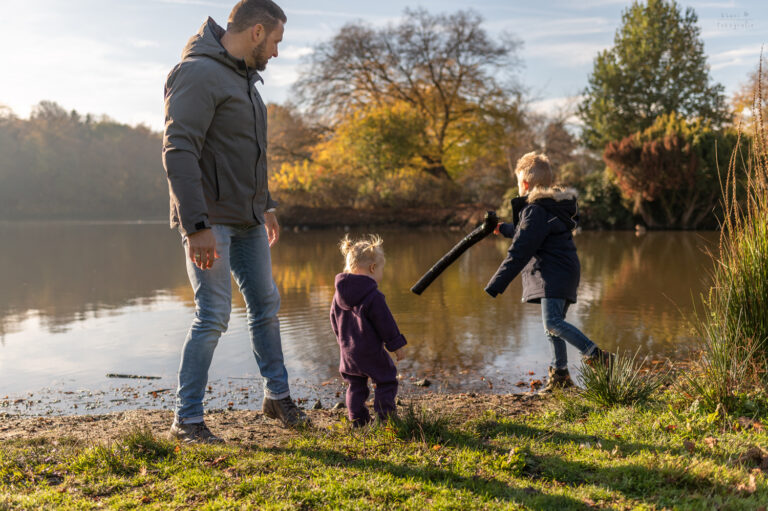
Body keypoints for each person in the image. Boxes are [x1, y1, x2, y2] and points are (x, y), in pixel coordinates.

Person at [162, 0, 308, 443]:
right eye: (277, 41)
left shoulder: (245, 80)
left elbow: (248, 153)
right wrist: (196, 226)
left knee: (266, 305)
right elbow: (179, 151)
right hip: (212, 222)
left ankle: (276, 397)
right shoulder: (197, 72)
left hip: (248, 219)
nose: (277, 53)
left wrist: (265, 204)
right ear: (258, 32)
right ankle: (186, 421)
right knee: (213, 315)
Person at [485, 152, 612, 392]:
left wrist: (496, 283)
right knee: (552, 326)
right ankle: (560, 377)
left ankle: (597, 356)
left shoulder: (535, 210)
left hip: (552, 273)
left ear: (523, 184)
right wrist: (504, 229)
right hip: (565, 271)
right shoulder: (549, 207)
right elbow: (528, 232)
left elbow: (520, 250)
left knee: (553, 322)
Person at [330, 235, 407, 427]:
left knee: (355, 386)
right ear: (373, 268)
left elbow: (334, 321)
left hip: (347, 352)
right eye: (380, 269)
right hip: (370, 351)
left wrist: (343, 342)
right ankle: (385, 419)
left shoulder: (338, 296)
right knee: (387, 379)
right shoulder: (373, 295)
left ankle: (358, 421)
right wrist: (396, 346)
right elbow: (386, 324)